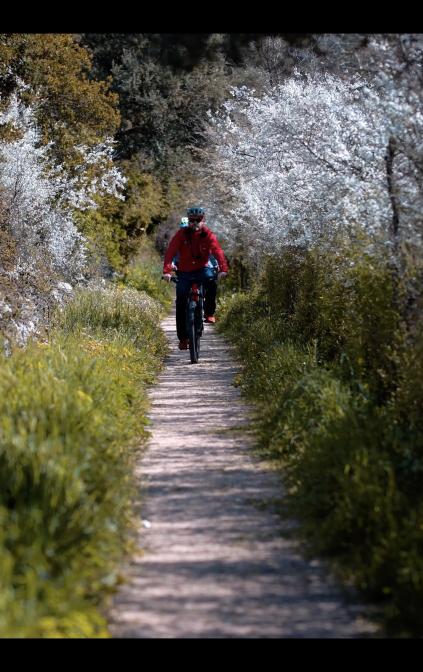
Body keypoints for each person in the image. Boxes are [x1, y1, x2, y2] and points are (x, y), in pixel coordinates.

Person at [162, 206, 228, 350]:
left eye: (198, 220)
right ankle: (183, 338)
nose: (195, 223)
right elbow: (171, 251)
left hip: (202, 269)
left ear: (203, 220)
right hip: (184, 271)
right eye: (192, 220)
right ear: (189, 220)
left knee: (211, 281)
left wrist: (223, 269)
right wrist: (167, 271)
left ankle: (209, 312)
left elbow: (217, 251)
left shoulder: (208, 234)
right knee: (180, 302)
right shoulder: (181, 234)